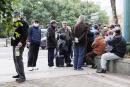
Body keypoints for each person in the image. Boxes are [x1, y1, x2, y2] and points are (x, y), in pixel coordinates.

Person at [11, 12, 29, 83]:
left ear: (19, 16)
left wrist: (21, 42)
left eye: (16, 16)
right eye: (14, 16)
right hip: (15, 44)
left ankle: (22, 77)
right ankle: (19, 73)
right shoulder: (17, 24)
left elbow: (25, 34)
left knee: (18, 59)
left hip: (19, 45)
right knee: (15, 59)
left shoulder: (24, 23)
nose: (14, 17)